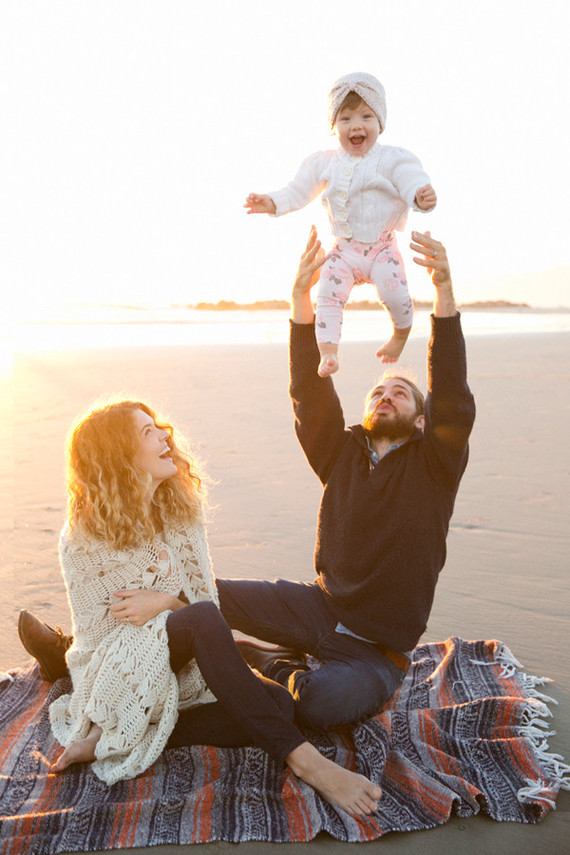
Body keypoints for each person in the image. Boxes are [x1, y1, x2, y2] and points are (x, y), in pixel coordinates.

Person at [20, 227, 474, 745]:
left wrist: (443, 293)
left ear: (423, 421)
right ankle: (72, 653)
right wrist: (301, 300)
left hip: (376, 650)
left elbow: (452, 394)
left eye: (400, 393)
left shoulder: (435, 466)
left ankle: (265, 661)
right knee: (196, 595)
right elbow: (309, 395)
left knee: (316, 706)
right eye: (378, 391)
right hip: (320, 608)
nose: (386, 396)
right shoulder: (343, 453)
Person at [18, 398, 383, 816]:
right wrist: (176, 614)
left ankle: (126, 738)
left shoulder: (178, 512)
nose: (165, 435)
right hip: (114, 670)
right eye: (148, 432)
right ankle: (308, 763)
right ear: (118, 457)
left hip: (178, 661)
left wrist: (166, 603)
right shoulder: (86, 536)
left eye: (159, 426)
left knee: (279, 705)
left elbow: (200, 606)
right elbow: (111, 641)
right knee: (205, 626)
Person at [244, 71, 437, 376]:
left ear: (380, 122)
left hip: (382, 248)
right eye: (345, 118)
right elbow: (298, 190)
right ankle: (329, 353)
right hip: (344, 251)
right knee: (327, 297)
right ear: (333, 126)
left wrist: (420, 195)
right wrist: (272, 202)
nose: (356, 125)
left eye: (366, 116)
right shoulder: (324, 162)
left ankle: (400, 334)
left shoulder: (392, 159)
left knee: (394, 294)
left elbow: (410, 177)